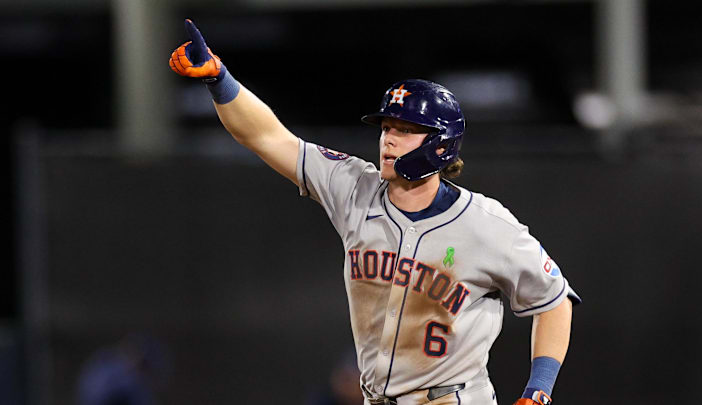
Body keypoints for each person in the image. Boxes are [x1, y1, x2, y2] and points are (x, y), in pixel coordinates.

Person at [169, 19, 581, 405]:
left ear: (440, 143)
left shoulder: (487, 225)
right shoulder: (354, 187)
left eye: (405, 130)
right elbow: (268, 138)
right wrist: (220, 81)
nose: (389, 138)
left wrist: (538, 392)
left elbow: (554, 300)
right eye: (386, 127)